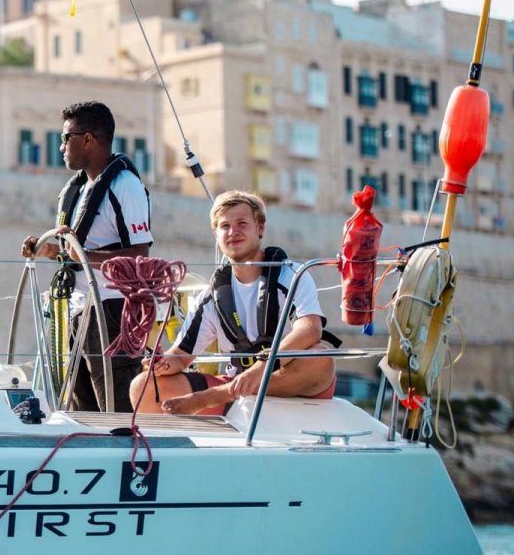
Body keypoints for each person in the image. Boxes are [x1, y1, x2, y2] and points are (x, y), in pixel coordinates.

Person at [130, 190, 339, 415]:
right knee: (143, 386)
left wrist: (259, 369)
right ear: (216, 234)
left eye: (242, 223)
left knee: (320, 358)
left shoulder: (292, 275)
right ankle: (228, 394)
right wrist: (162, 363)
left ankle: (219, 395)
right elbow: (181, 356)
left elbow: (310, 330)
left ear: (260, 228)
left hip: (290, 382)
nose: (233, 232)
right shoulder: (211, 298)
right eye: (224, 226)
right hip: (237, 381)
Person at [20, 101, 152, 412]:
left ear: (88, 139)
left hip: (110, 309)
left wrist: (81, 256)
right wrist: (49, 250)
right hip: (79, 309)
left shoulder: (125, 186)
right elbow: (77, 253)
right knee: (80, 409)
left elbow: (139, 255)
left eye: (66, 138)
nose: (62, 146)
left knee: (115, 407)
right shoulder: (78, 190)